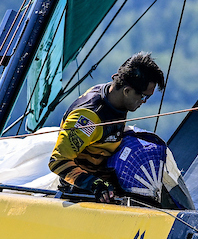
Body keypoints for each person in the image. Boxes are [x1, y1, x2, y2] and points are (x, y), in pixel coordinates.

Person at [49, 52, 165, 203]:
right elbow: (57, 161)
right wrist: (93, 184)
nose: (144, 102)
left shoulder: (116, 97)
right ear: (127, 91)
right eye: (143, 97)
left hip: (109, 182)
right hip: (84, 193)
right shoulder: (89, 118)